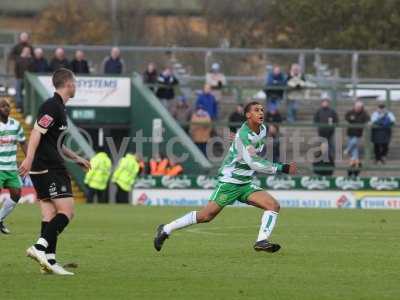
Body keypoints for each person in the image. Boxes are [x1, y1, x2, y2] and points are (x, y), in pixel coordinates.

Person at [154, 101, 297, 253]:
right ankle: (166, 229)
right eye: (256, 110)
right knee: (205, 216)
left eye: (262, 110)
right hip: (229, 182)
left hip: (245, 183)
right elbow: (254, 163)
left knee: (273, 205)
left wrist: (240, 143)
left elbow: (250, 150)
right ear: (248, 115)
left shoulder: (262, 129)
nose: (261, 112)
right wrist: (283, 167)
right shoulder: (244, 135)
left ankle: (261, 241)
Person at [19, 68, 91, 275]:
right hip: (49, 166)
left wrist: (76, 158)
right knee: (67, 212)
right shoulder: (52, 106)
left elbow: (56, 143)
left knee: (49, 213)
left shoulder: (59, 108)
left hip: (43, 166)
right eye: (75, 83)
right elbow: (36, 132)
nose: (75, 86)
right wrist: (29, 158)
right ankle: (39, 247)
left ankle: (49, 260)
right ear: (68, 84)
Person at [0, 99, 27, 234]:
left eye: (8, 106)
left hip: (11, 167)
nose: (6, 108)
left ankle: (0, 219)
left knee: (16, 194)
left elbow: (23, 142)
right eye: (3, 106)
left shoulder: (16, 125)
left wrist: (28, 159)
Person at [344, 101, 370, 167]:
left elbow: (368, 119)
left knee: (354, 142)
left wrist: (368, 123)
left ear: (361, 107)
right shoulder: (350, 112)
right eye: (357, 106)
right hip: (350, 131)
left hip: (358, 133)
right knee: (355, 148)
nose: (358, 108)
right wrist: (350, 119)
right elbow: (346, 117)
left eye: (359, 107)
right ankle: (355, 161)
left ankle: (347, 150)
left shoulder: (364, 113)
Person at [14, 46, 34, 111]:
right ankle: (19, 106)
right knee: (18, 92)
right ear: (23, 51)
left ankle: (26, 107)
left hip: (28, 80)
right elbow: (16, 68)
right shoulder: (19, 58)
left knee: (27, 93)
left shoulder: (31, 59)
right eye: (26, 51)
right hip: (19, 78)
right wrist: (17, 77)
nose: (27, 52)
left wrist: (29, 58)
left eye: (28, 51)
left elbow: (32, 68)